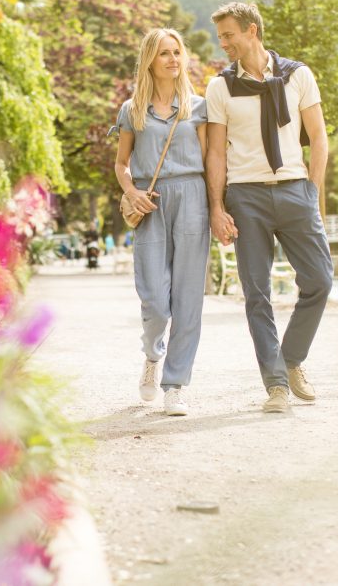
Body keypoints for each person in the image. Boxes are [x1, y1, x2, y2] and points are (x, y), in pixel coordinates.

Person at [205, 2, 333, 413]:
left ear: (252, 30)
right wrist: (216, 208)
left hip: (295, 189)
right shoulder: (220, 87)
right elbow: (216, 155)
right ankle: (276, 386)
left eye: (229, 35)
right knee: (256, 294)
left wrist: (313, 193)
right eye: (221, 37)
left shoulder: (298, 75)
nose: (224, 43)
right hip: (246, 197)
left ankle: (291, 358)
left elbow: (318, 136)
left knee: (320, 280)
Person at [114, 28, 209, 417]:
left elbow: (212, 160)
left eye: (177, 52)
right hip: (150, 202)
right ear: (150, 60)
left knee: (188, 298)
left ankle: (175, 385)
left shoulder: (199, 107)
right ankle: (152, 357)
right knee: (154, 298)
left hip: (193, 197)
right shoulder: (132, 110)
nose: (173, 59)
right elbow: (122, 163)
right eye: (164, 53)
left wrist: (218, 206)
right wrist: (132, 192)